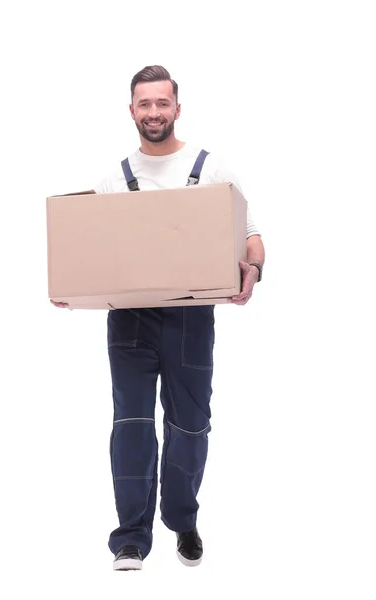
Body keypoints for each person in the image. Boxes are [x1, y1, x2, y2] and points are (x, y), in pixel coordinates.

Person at [51, 65, 265, 571]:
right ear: (132, 110)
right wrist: (71, 286)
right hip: (129, 319)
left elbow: (251, 232)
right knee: (131, 424)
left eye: (161, 103)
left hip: (192, 317)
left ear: (176, 108)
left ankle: (182, 518)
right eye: (144, 104)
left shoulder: (211, 168)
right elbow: (89, 248)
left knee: (190, 425)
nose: (153, 113)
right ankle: (130, 537)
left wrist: (252, 269)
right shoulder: (113, 178)